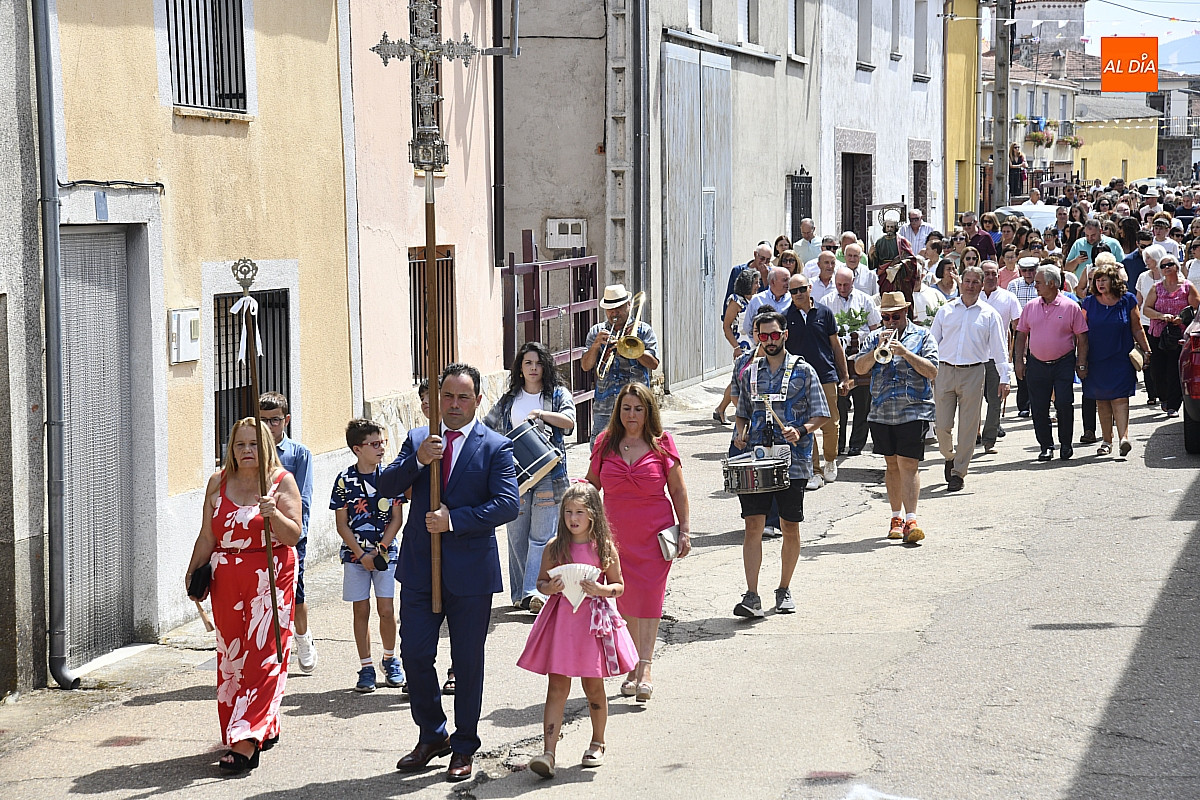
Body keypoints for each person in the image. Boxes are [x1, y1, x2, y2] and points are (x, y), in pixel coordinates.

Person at [384, 363, 521, 782]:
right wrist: (418, 461)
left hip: (471, 574)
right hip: (420, 570)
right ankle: (432, 734)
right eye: (447, 396)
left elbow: (508, 504)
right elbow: (387, 485)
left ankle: (464, 744)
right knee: (415, 654)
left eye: (463, 397)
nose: (454, 405)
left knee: (467, 663)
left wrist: (455, 520)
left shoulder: (495, 446)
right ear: (436, 399)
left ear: (477, 400)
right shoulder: (418, 439)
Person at [185, 417, 302, 773]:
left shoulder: (281, 481)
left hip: (270, 575)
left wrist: (273, 515)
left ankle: (247, 738)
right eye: (240, 444)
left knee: (265, 653)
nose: (247, 450)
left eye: (253, 444)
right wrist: (192, 572)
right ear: (231, 448)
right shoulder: (218, 482)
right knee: (233, 657)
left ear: (265, 447)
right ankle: (266, 723)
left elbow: (293, 535)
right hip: (226, 578)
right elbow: (208, 535)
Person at [520, 483, 638, 778]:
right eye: (568, 512)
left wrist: (601, 589)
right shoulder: (554, 546)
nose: (573, 518)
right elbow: (540, 582)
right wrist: (551, 587)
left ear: (593, 515)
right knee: (557, 686)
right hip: (562, 622)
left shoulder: (604, 548)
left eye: (580, 512)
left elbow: (619, 585)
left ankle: (598, 742)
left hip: (592, 624)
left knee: (593, 686)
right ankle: (548, 753)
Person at [586, 382, 690, 700]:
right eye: (626, 408)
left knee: (650, 600)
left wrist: (685, 530)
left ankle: (645, 667)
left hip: (654, 537)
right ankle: (632, 665)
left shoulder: (662, 443)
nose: (632, 415)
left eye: (638, 409)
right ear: (618, 411)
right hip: (614, 538)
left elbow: (678, 490)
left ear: (649, 412)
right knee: (625, 600)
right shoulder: (605, 443)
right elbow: (591, 486)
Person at [731, 312, 830, 616]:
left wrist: (802, 430)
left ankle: (784, 588)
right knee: (753, 525)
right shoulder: (750, 373)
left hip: (793, 459)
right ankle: (751, 595)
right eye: (764, 336)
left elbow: (822, 413)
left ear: (785, 334)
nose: (770, 341)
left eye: (775, 335)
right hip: (757, 459)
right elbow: (742, 413)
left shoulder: (804, 371)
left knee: (789, 525)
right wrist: (740, 432)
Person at [483, 342, 577, 612]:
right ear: (520, 368)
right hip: (516, 478)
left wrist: (542, 415)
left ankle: (535, 592)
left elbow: (570, 422)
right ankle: (520, 594)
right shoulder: (509, 400)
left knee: (542, 536)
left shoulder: (557, 394)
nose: (533, 368)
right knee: (516, 536)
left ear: (545, 366)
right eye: (528, 363)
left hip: (549, 475)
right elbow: (487, 429)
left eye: (538, 363)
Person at [853, 293, 939, 543]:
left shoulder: (923, 336)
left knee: (909, 464)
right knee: (891, 465)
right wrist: (876, 349)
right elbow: (859, 368)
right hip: (882, 410)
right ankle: (896, 518)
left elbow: (932, 371)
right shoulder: (874, 337)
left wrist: (905, 353)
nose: (891, 321)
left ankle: (911, 519)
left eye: (895, 316)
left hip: (914, 409)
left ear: (906, 312)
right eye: (886, 317)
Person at [331, 419, 404, 694]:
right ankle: (366, 667)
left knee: (387, 610)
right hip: (355, 558)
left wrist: (380, 549)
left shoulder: (391, 477)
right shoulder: (344, 480)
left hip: (386, 555)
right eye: (374, 444)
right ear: (357, 449)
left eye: (382, 442)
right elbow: (342, 524)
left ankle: (390, 659)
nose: (381, 448)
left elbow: (397, 518)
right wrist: (361, 554)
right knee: (360, 611)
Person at [930, 266, 1012, 491]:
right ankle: (949, 456)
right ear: (961, 282)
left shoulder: (989, 314)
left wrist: (1005, 377)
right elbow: (932, 343)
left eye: (976, 282)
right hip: (945, 371)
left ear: (982, 285)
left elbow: (999, 349)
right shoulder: (945, 311)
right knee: (942, 425)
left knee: (968, 426)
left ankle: (959, 472)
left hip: (974, 372)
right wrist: (927, 370)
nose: (970, 285)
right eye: (967, 280)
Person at [259, 393, 316, 674]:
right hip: (259, 538)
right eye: (263, 421)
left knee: (295, 593)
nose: (270, 427)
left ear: (286, 420)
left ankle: (302, 638)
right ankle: (272, 646)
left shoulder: (298, 454)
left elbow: (303, 499)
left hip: (290, 536)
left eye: (275, 420)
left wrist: (293, 531)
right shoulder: (251, 452)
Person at [1014, 265, 1089, 461]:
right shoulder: (1030, 307)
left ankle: (1065, 444)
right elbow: (1021, 335)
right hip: (1036, 364)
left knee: (1064, 403)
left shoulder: (1070, 306)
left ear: (1052, 284)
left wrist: (1081, 363)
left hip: (1063, 363)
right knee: (1039, 407)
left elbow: (1082, 337)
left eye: (1039, 282)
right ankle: (1046, 446)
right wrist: (1019, 361)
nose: (1035, 286)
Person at [785, 272, 850, 489]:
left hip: (825, 374)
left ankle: (830, 459)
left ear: (810, 288)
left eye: (802, 289)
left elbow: (836, 346)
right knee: (806, 426)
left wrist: (844, 376)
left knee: (831, 423)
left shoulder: (824, 312)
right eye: (794, 291)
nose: (798, 294)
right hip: (799, 379)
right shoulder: (785, 317)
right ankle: (815, 471)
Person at [1080, 264, 1152, 456]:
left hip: (1121, 357)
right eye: (1097, 280)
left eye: (1104, 279)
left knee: (1120, 399)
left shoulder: (1128, 300)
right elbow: (1081, 333)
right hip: (1096, 359)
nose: (1100, 283)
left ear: (1114, 281)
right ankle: (1106, 441)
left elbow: (1137, 328)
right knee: (1102, 401)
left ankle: (1123, 438)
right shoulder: (1088, 303)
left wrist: (1147, 350)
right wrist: (1081, 361)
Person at [582, 285, 660, 441]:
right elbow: (585, 366)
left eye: (618, 308)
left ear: (629, 305)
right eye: (610, 309)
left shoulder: (643, 330)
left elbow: (654, 363)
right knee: (601, 447)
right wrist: (596, 345)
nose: (614, 313)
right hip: (605, 405)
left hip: (637, 405)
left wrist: (631, 350)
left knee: (640, 446)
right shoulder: (597, 331)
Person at [821, 266, 882, 456]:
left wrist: (862, 339)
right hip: (837, 359)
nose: (842, 288)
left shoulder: (865, 300)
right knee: (839, 403)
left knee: (863, 404)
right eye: (839, 284)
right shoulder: (826, 301)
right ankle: (838, 443)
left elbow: (875, 328)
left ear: (853, 282)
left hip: (861, 356)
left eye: (846, 285)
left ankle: (857, 443)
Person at [1143, 257, 1200, 418]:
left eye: (1170, 264)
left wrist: (1182, 318)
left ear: (1176, 266)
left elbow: (1196, 309)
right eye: (1163, 266)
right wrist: (1161, 316)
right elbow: (1146, 309)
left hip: (1179, 335)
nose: (1167, 267)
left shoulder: (1187, 287)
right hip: (1158, 334)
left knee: (1174, 371)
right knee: (1157, 370)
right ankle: (1164, 398)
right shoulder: (1156, 288)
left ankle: (1173, 405)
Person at [980, 261, 1021, 452]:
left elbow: (1019, 325)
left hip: (997, 357)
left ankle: (989, 440)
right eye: (986, 274)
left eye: (994, 273)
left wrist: (1019, 354)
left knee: (995, 399)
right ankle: (973, 435)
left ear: (999, 275)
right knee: (973, 400)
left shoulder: (1008, 297)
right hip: (974, 357)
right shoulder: (972, 297)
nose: (990, 277)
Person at [715, 268, 761, 424]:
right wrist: (736, 347)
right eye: (755, 283)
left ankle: (721, 409)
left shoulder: (755, 300)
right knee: (740, 379)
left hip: (755, 344)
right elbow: (726, 326)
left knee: (743, 379)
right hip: (742, 346)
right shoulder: (736, 301)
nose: (758, 286)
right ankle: (738, 412)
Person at [742, 267, 794, 337]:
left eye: (789, 280)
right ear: (772, 282)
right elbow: (747, 327)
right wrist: (759, 342)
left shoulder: (792, 299)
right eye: (785, 280)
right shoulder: (757, 300)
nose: (788, 283)